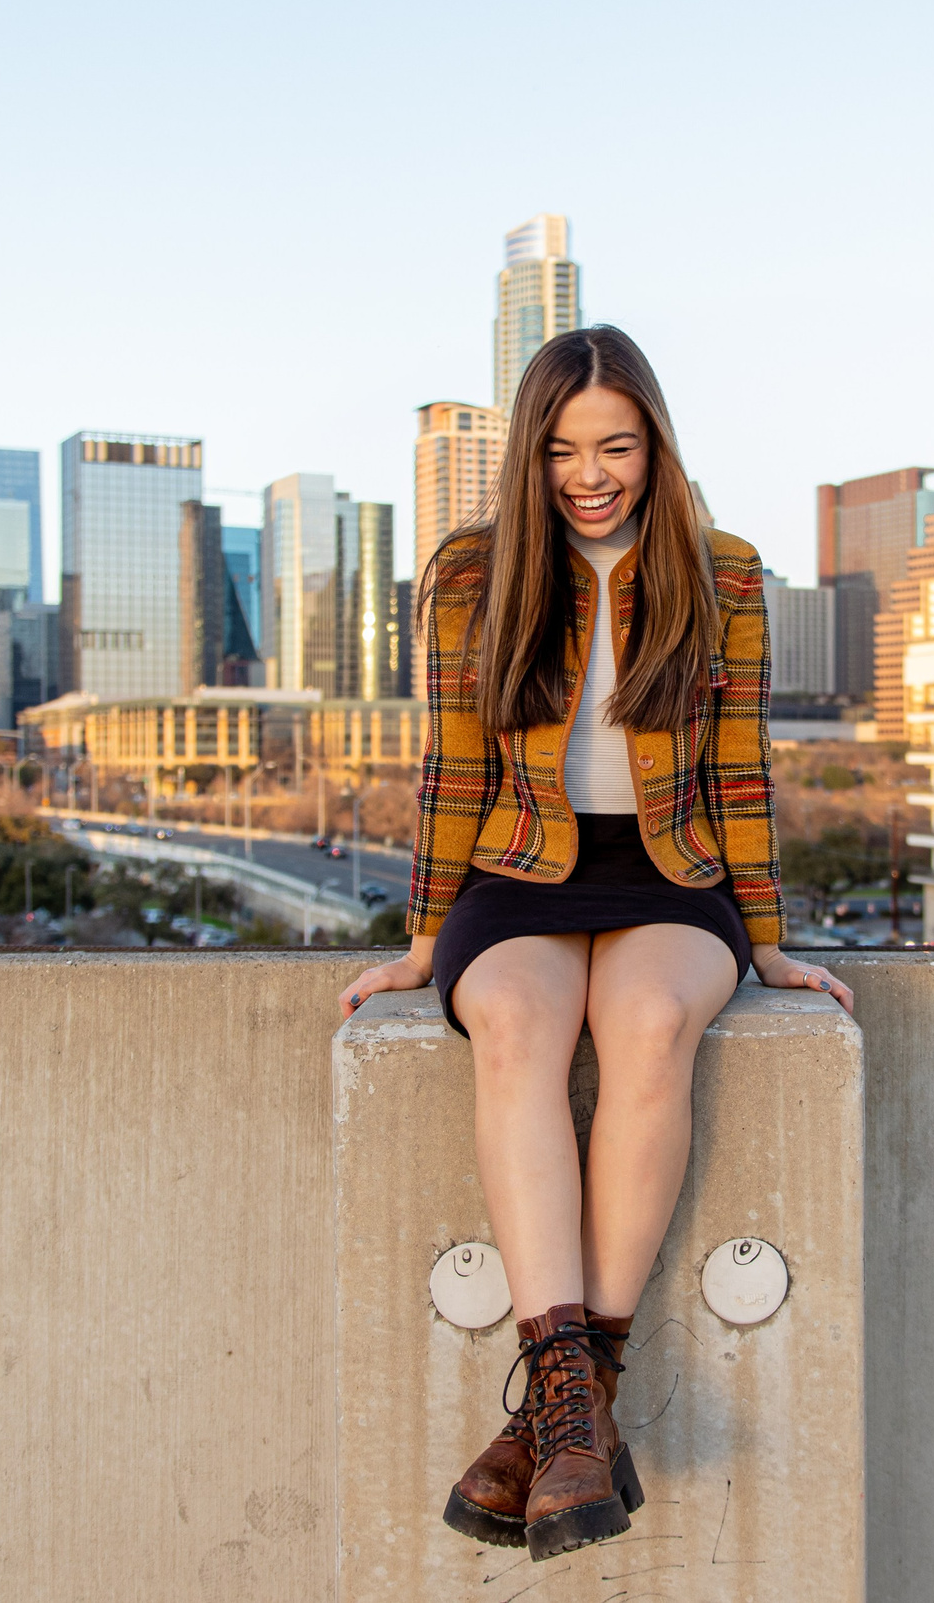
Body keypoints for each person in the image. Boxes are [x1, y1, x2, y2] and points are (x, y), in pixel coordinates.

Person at [335, 324, 852, 1562]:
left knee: (650, 1021)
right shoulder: (475, 572)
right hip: (519, 868)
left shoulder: (721, 573)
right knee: (512, 1022)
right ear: (533, 454)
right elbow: (453, 767)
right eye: (564, 448)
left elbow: (740, 770)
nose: (590, 472)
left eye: (615, 443)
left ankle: (565, 1409)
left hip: (669, 868)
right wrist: (420, 942)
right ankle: (577, 1398)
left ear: (655, 444)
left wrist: (769, 942)